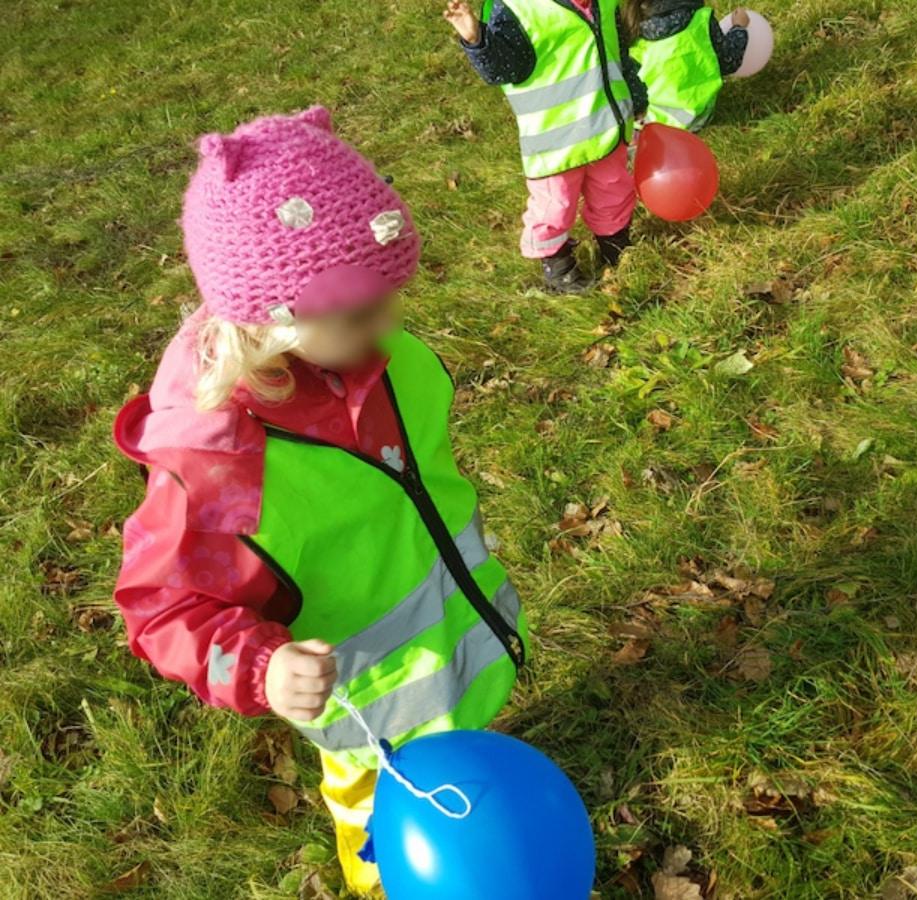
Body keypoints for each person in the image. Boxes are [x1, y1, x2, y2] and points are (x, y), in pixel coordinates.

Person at [111, 106, 527, 896]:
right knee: (392, 851)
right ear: (271, 325)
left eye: (388, 297)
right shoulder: (218, 466)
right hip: (372, 719)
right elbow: (164, 609)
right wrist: (261, 667)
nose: (390, 323)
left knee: (470, 772)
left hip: (456, 650)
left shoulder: (385, 362)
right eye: (361, 312)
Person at [443, 0, 647, 293]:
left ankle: (615, 245)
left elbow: (619, 56)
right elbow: (504, 69)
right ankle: (557, 266)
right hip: (555, 142)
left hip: (607, 127)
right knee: (555, 206)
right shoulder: (519, 8)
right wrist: (477, 39)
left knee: (613, 190)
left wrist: (636, 98)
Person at [626, 1, 750, 131]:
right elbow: (729, 62)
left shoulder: (629, 25)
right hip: (696, 117)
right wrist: (739, 28)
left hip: (648, 122)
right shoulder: (701, 18)